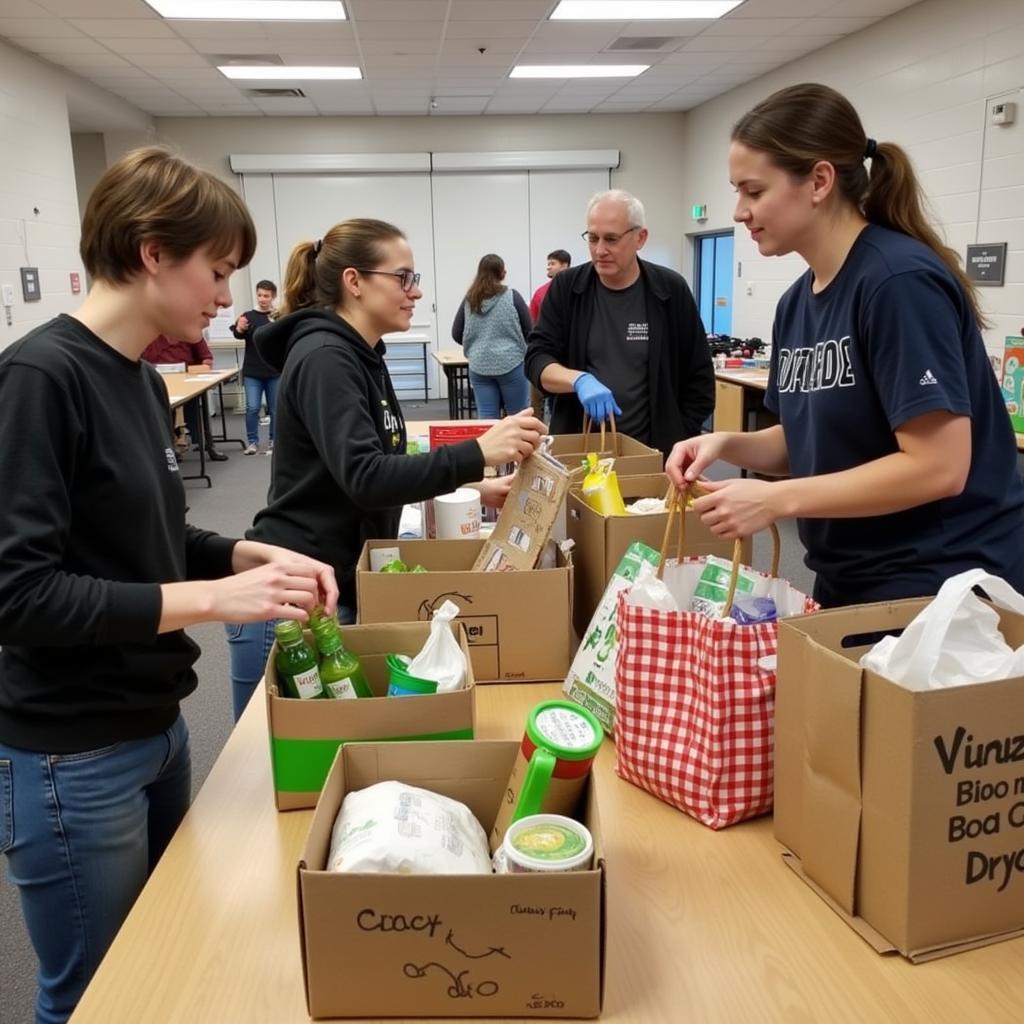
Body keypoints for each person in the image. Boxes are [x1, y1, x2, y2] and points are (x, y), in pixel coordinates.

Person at [0, 146, 337, 1024]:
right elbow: (20, 594)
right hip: (72, 751)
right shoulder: (39, 379)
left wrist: (244, 557)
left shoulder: (142, 381)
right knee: (91, 996)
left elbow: (148, 537)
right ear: (152, 251)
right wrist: (212, 603)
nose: (227, 297)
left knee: (160, 968)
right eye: (216, 270)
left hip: (155, 726)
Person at [666, 82, 1024, 607]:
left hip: (943, 585)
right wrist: (726, 444)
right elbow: (808, 440)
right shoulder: (796, 303)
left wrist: (776, 499)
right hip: (854, 577)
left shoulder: (896, 282)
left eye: (753, 190)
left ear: (818, 180)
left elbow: (939, 466)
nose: (739, 211)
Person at [225, 219, 546, 721]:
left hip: (330, 585)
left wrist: (474, 484)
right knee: (278, 769)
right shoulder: (327, 357)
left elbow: (382, 460)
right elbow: (366, 476)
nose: (415, 292)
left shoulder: (362, 355)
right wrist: (476, 451)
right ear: (354, 281)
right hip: (294, 601)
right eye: (404, 278)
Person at [525, 189, 714, 459]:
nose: (600, 250)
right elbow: (536, 359)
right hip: (581, 454)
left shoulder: (670, 291)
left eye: (611, 239)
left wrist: (680, 435)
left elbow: (699, 377)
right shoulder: (567, 289)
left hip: (653, 455)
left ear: (640, 238)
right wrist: (579, 380)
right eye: (593, 238)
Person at [451, 253, 532, 419]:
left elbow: (456, 333)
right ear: (502, 273)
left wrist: (475, 345)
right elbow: (530, 330)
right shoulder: (512, 296)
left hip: (479, 365)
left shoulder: (469, 300)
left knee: (487, 416)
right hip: (511, 363)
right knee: (518, 416)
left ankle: (489, 446)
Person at [142, 331, 229, 461]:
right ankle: (169, 446)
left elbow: (206, 357)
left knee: (195, 407)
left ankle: (205, 443)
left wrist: (205, 366)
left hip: (188, 380)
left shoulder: (187, 329)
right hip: (158, 380)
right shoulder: (149, 332)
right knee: (162, 409)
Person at [231, 278, 280, 455]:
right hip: (253, 371)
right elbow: (238, 334)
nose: (262, 298)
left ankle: (274, 441)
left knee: (275, 409)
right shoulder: (248, 316)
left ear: (273, 296)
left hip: (274, 370)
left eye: (266, 295)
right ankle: (252, 442)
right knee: (252, 407)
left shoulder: (278, 316)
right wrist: (241, 328)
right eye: (259, 295)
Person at [529, 248, 571, 321]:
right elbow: (531, 319)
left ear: (564, 266)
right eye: (548, 264)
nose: (548, 267)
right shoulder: (540, 292)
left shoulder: (577, 288)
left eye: (553, 264)